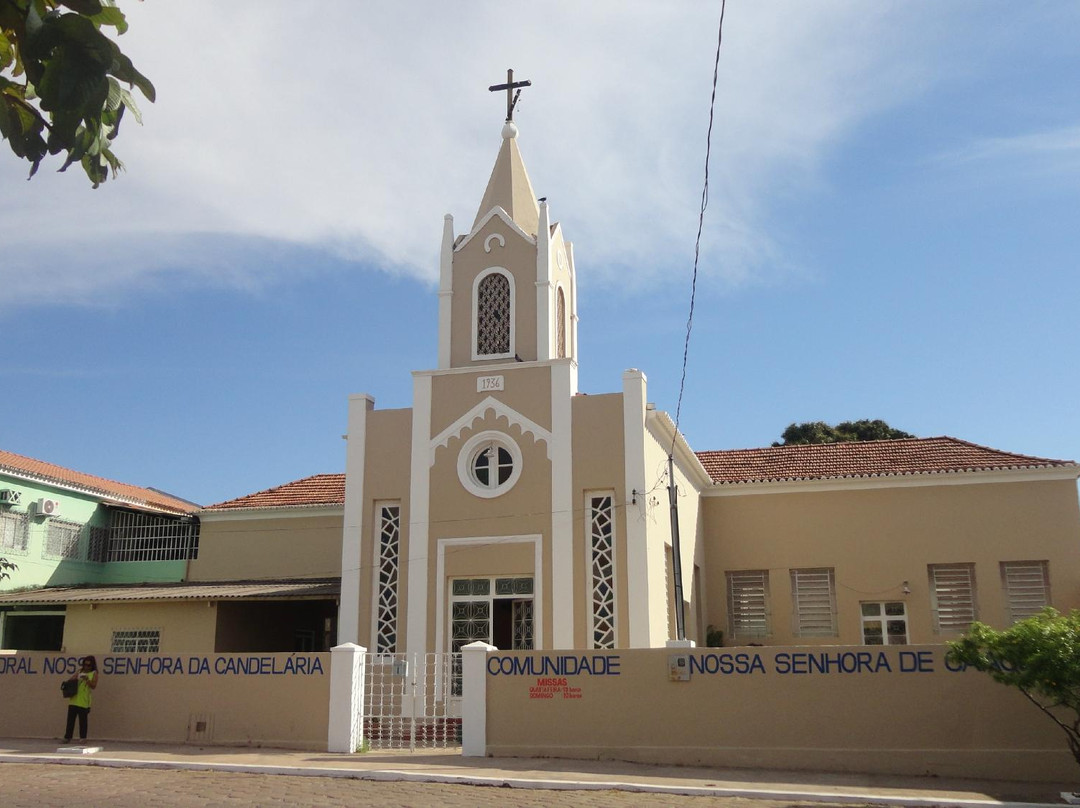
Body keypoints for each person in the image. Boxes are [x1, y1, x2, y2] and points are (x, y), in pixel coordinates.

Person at [62, 655, 98, 743]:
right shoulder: (79, 671)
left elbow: (94, 686)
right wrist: (76, 678)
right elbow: (70, 681)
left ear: (92, 665)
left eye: (89, 665)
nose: (86, 667)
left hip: (84, 700)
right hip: (74, 699)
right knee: (70, 720)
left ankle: (83, 737)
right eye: (85, 665)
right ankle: (67, 737)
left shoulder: (94, 673)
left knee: (83, 721)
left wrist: (87, 680)